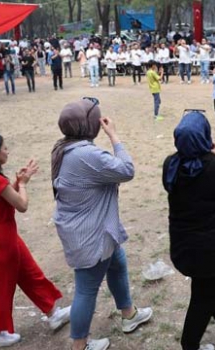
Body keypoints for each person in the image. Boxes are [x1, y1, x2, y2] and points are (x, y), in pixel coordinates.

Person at [51, 99, 153, 350]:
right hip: (91, 235)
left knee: (117, 263)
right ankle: (79, 345)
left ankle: (128, 314)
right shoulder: (87, 154)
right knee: (86, 289)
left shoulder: (65, 146)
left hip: (96, 230)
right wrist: (114, 136)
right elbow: (126, 170)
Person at [0, 134, 71, 349]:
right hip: (3, 241)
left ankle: (52, 312)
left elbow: (2, 198)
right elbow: (21, 205)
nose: (8, 151)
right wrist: (22, 185)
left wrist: (19, 181)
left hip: (3, 237)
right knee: (4, 287)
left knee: (31, 273)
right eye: (5, 148)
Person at [162, 111, 215, 350]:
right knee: (204, 296)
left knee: (214, 285)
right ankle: (189, 344)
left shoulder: (171, 163)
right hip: (212, 251)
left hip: (185, 245)